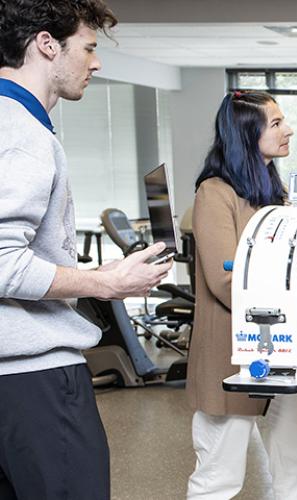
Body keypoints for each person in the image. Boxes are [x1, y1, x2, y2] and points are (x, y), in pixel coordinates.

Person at [0, 1, 172, 498]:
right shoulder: (21, 134)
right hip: (33, 380)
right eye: (88, 48)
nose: (95, 63)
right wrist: (107, 282)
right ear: (46, 44)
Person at [186, 91, 297, 500]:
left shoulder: (272, 190)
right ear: (247, 132)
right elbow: (224, 279)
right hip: (231, 353)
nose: (289, 130)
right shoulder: (215, 193)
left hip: (285, 352)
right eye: (277, 123)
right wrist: (293, 308)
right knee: (219, 476)